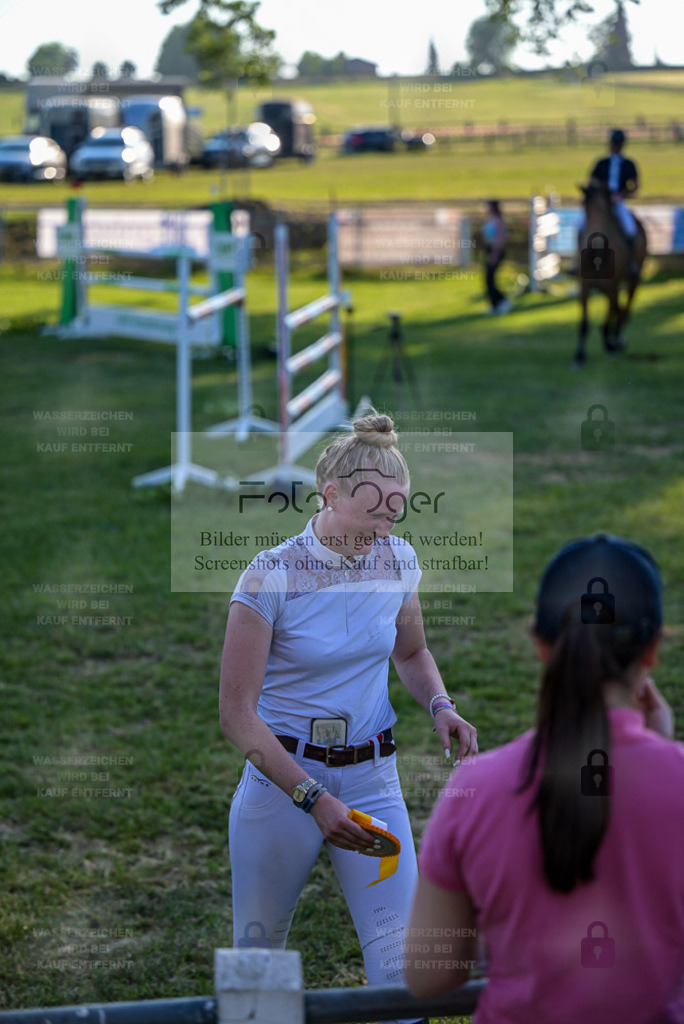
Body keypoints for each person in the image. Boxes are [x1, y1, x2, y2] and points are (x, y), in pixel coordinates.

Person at [220, 410, 478, 1024]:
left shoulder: (398, 561)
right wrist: (312, 797)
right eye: (372, 513)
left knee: (403, 974)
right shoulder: (269, 576)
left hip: (372, 780)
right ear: (330, 494)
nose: (384, 528)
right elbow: (236, 715)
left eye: (394, 515)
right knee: (259, 966)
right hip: (281, 784)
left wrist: (441, 704)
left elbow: (411, 653)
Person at [404, 533, 684, 1024]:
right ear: (654, 648)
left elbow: (430, 975)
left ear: (539, 641)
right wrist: (662, 754)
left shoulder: (476, 790)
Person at [579, 127, 640, 273]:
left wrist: (620, 195)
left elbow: (634, 186)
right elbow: (592, 182)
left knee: (630, 228)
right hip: (601, 204)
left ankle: (631, 262)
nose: (616, 147)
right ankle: (578, 261)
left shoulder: (628, 164)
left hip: (618, 203)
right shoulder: (602, 163)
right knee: (580, 225)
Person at [481, 200, 512, 316]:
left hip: (496, 251)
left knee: (490, 279)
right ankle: (494, 304)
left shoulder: (499, 221)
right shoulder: (490, 219)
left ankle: (503, 301)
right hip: (489, 250)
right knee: (487, 280)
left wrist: (494, 255)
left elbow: (499, 240)